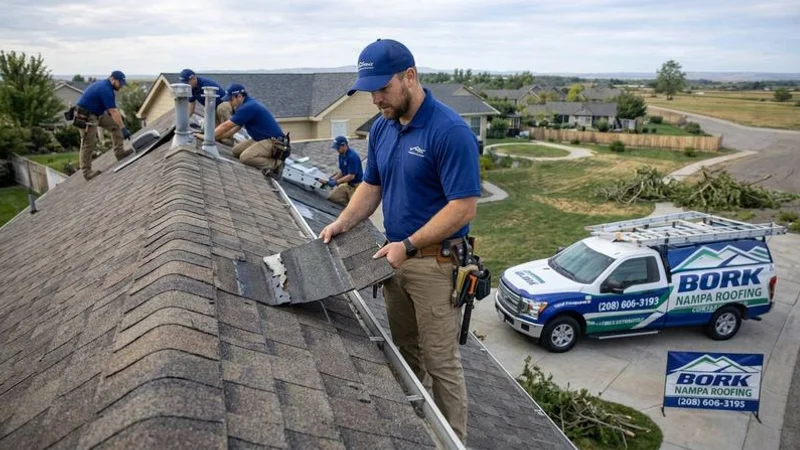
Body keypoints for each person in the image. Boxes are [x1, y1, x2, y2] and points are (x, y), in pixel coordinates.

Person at [319, 39, 480, 443]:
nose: (376, 99)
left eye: (383, 88)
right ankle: (422, 434)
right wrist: (343, 222)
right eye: (370, 90)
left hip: (435, 264)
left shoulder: (450, 131)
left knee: (441, 364)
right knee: (407, 353)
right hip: (394, 258)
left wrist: (407, 245)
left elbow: (463, 208)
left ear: (409, 76)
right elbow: (371, 186)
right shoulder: (383, 129)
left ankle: (452, 441)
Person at [214, 83, 288, 179]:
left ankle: (276, 164)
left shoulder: (248, 107)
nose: (229, 102)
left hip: (273, 142)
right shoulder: (245, 105)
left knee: (246, 158)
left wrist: (208, 137)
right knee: (236, 151)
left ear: (239, 96)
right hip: (260, 139)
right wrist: (215, 137)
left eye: (231, 99)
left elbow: (226, 126)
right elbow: (234, 128)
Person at [74, 70, 133, 180]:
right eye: (120, 83)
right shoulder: (105, 89)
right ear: (112, 79)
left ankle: (119, 152)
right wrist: (124, 129)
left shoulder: (107, 87)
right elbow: (114, 112)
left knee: (115, 125)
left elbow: (112, 111)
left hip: (97, 114)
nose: (121, 86)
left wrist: (121, 126)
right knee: (88, 142)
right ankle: (87, 172)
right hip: (85, 116)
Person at [324, 136, 363, 206]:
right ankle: (347, 201)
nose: (337, 150)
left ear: (344, 145)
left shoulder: (352, 157)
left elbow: (351, 176)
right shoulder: (341, 155)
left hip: (357, 186)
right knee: (332, 197)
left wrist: (336, 182)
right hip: (348, 185)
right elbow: (342, 171)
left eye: (338, 148)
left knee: (354, 208)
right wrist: (333, 179)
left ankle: (351, 202)